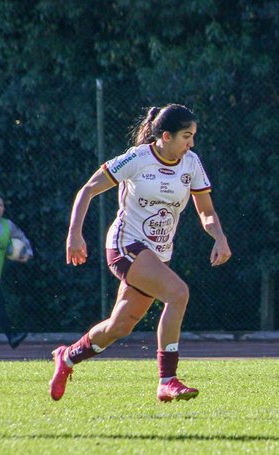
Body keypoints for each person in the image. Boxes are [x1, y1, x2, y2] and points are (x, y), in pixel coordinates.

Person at [50, 104, 231, 402]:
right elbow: (87, 190)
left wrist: (219, 237)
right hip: (126, 245)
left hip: (158, 253)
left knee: (120, 325)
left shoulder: (192, 163)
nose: (192, 143)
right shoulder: (138, 158)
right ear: (165, 135)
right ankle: (167, 380)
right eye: (187, 136)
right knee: (178, 293)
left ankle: (68, 357)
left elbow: (206, 211)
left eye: (194, 136)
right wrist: (74, 233)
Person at [0, 193, 33, 349]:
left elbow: (22, 238)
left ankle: (12, 337)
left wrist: (27, 253)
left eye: (1, 205)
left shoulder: (8, 225)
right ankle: (12, 337)